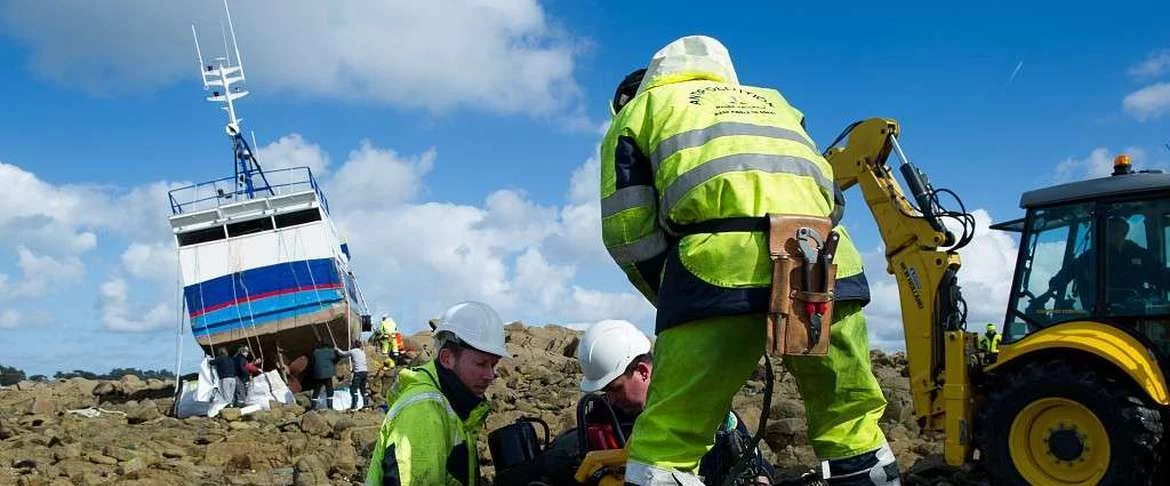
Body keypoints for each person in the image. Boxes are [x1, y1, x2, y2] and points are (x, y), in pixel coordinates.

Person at [600, 35, 897, 485]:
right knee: (851, 423)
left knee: (667, 441)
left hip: (717, 274)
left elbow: (629, 233)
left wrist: (676, 293)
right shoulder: (774, 103)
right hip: (823, 266)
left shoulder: (639, 112)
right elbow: (831, 199)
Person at [366, 301, 510, 485]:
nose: (490, 375)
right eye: (481, 364)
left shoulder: (453, 407)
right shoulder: (424, 410)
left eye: (493, 365)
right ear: (447, 358)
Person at [337, 340, 369, 410]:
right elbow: (359, 362)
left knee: (353, 389)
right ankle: (366, 405)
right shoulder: (362, 352)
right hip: (365, 372)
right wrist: (353, 370)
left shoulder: (353, 351)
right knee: (363, 389)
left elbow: (342, 354)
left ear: (354, 345)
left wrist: (337, 349)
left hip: (358, 373)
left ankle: (354, 406)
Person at [310, 339, 342, 410]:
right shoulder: (330, 351)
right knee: (329, 389)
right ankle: (330, 407)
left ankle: (312, 407)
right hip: (328, 374)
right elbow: (336, 358)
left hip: (318, 374)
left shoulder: (315, 352)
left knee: (317, 390)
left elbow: (312, 363)